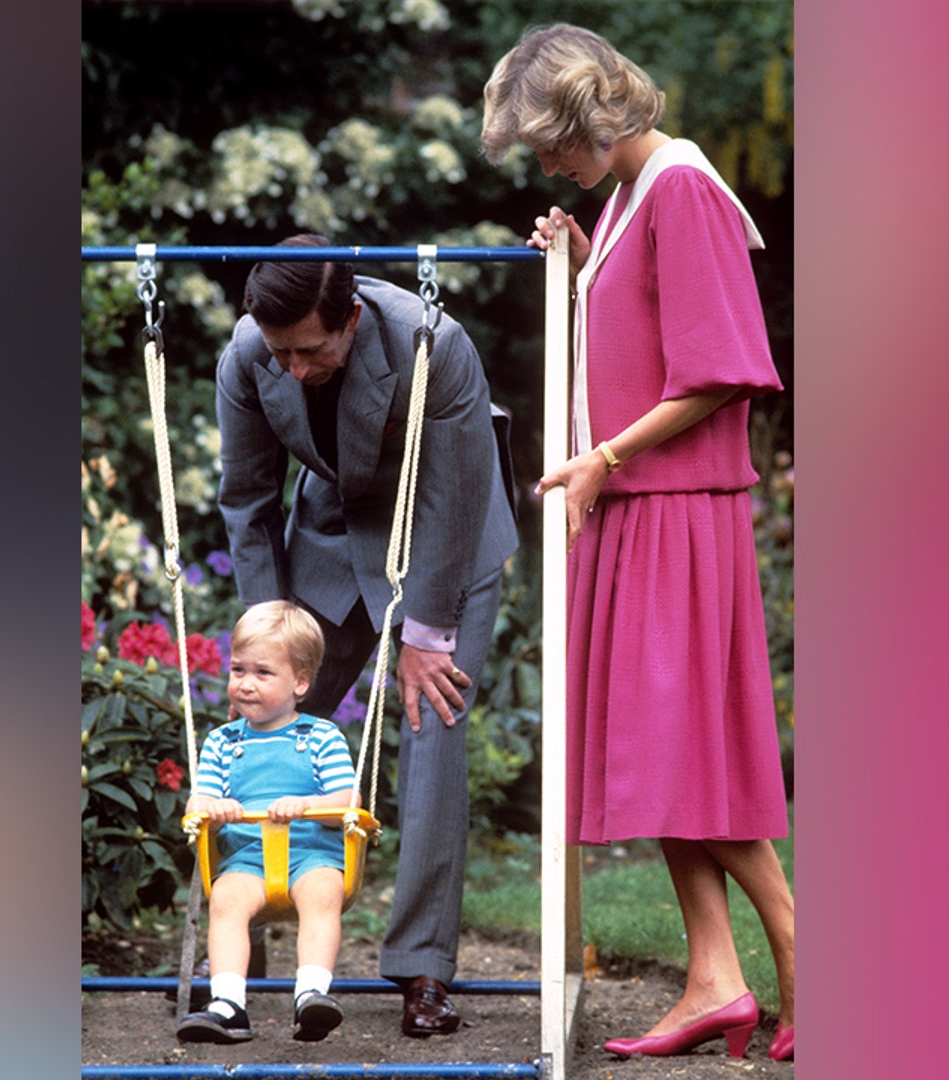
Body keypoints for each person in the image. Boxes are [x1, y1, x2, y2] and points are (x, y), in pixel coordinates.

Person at [481, 23, 797, 1063]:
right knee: (663, 756)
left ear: (588, 120)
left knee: (688, 749)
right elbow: (645, 329)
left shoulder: (683, 190)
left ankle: (801, 949)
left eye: (545, 143)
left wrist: (604, 457)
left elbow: (717, 368)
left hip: (675, 506)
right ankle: (715, 978)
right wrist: (580, 264)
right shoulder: (622, 204)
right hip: (634, 503)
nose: (542, 166)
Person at [214, 234, 520, 1037]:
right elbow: (248, 500)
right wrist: (266, 636)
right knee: (261, 720)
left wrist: (427, 631)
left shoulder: (435, 343)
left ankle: (423, 970)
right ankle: (233, 965)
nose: (293, 368)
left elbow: (454, 498)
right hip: (334, 530)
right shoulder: (250, 355)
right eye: (279, 352)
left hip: (447, 530)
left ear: (349, 318)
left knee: (432, 726)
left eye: (309, 351)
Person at [176, 601, 355, 1044]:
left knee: (322, 894)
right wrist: (211, 807)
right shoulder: (221, 742)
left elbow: (349, 799)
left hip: (313, 855)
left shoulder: (321, 737)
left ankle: (311, 994)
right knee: (225, 902)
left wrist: (307, 803)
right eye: (238, 670)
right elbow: (198, 799)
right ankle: (228, 1004)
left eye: (262, 673)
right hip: (247, 860)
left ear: (300, 682)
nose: (246, 685)